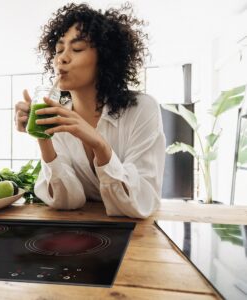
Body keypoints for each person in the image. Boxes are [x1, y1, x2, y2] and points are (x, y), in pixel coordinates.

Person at [14, 3, 165, 218]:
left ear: (104, 57)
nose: (62, 58)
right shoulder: (57, 115)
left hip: (137, 235)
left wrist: (100, 146)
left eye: (76, 49)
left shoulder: (142, 109)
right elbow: (67, 201)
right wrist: (43, 136)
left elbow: (141, 203)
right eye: (59, 50)